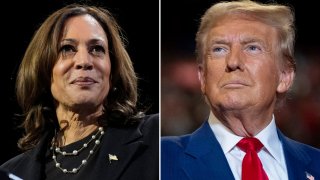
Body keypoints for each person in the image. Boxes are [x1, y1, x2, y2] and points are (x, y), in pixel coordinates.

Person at [161, 1, 320, 180]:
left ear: (284, 76)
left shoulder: (317, 165)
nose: (233, 61)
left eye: (252, 48)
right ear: (203, 77)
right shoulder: (159, 159)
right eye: (219, 49)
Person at [0, 4, 159, 180]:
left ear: (112, 70)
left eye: (97, 49)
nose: (84, 61)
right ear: (43, 69)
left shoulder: (156, 137)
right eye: (67, 48)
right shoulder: (13, 172)